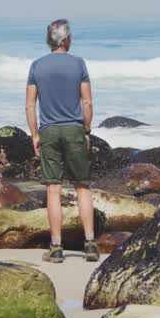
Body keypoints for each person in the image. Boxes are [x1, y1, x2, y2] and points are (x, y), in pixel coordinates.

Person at [25, 18, 97, 263]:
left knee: (53, 189)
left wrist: (35, 134)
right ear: (66, 39)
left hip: (49, 131)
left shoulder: (37, 66)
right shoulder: (78, 64)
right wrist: (86, 131)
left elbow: (29, 105)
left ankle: (56, 247)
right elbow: (87, 102)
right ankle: (89, 244)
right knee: (82, 186)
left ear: (50, 40)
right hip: (74, 129)